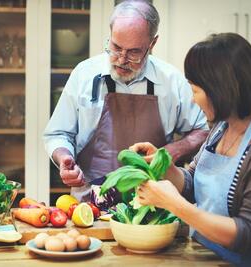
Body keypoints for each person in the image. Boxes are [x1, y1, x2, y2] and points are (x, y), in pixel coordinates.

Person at [132, 33, 251, 266]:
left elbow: (250, 235)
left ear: (221, 89)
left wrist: (174, 205)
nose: (193, 100)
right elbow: (191, 183)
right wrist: (163, 164)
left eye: (196, 90)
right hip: (205, 256)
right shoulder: (222, 126)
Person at [43, 0, 208, 203]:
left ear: (152, 44)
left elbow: (203, 130)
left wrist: (173, 151)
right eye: (116, 47)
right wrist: (64, 158)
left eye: (133, 52)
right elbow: (58, 133)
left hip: (151, 205)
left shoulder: (171, 81)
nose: (121, 59)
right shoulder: (84, 74)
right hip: (90, 205)